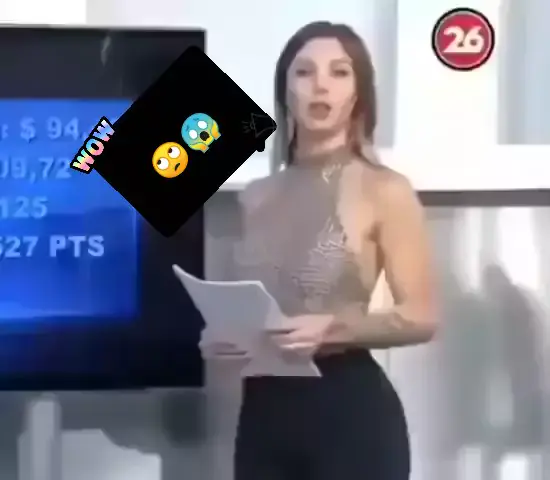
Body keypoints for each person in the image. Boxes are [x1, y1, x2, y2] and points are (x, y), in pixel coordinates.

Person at [201, 21, 438, 480]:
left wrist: (331, 329)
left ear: (359, 93)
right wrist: (227, 339)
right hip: (263, 413)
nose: (321, 85)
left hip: (349, 414)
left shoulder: (384, 189)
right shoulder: (256, 196)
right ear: (285, 90)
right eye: (304, 71)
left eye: (339, 72)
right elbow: (260, 310)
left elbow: (423, 316)